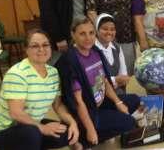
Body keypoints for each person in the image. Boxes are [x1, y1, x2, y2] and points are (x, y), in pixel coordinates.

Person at [0, 29, 81, 150]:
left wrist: (72, 122)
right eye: (35, 46)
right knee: (32, 134)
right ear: (26, 49)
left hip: (31, 124)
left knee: (66, 133)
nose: (41, 49)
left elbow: (58, 105)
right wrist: (43, 128)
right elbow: (15, 113)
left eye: (45, 45)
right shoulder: (17, 74)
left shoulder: (53, 72)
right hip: (4, 131)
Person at [55, 17, 140, 148]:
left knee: (134, 100)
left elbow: (105, 80)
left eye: (91, 33)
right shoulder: (70, 61)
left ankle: (103, 125)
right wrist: (90, 129)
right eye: (82, 34)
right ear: (73, 34)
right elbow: (78, 102)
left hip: (100, 102)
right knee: (129, 122)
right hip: (86, 110)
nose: (88, 38)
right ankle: (82, 138)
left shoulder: (95, 51)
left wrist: (118, 103)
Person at [94, 13, 131, 95]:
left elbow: (123, 74)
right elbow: (94, 81)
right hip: (99, 95)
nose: (109, 32)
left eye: (112, 29)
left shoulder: (117, 47)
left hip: (117, 92)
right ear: (97, 30)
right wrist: (115, 80)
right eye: (105, 29)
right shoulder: (92, 50)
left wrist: (120, 80)